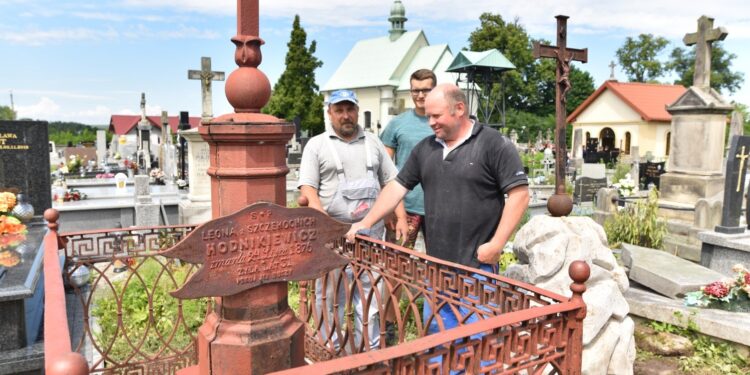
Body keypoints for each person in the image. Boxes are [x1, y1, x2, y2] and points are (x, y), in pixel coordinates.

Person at [345, 83, 529, 336]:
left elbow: (519, 195)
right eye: (428, 116)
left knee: (474, 342)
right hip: (436, 268)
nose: (430, 122)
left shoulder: (493, 144)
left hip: (475, 267)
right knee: (438, 340)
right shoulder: (427, 148)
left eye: (436, 116)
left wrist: (497, 244)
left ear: (459, 109)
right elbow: (397, 187)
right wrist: (365, 222)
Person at [298, 89, 407, 351]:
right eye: (339, 110)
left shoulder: (373, 143)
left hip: (370, 236)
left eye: (350, 109)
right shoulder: (317, 145)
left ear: (357, 111)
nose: (346, 116)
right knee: (328, 297)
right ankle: (330, 350)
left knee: (369, 298)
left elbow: (392, 182)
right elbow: (308, 189)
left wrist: (400, 215)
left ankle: (367, 352)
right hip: (332, 238)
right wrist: (321, 218)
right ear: (330, 113)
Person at [379, 69, 436, 249]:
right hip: (405, 205)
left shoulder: (443, 122)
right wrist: (388, 208)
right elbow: (384, 168)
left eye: (426, 90)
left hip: (438, 207)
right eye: (415, 90)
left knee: (441, 265)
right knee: (396, 263)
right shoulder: (397, 124)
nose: (420, 95)